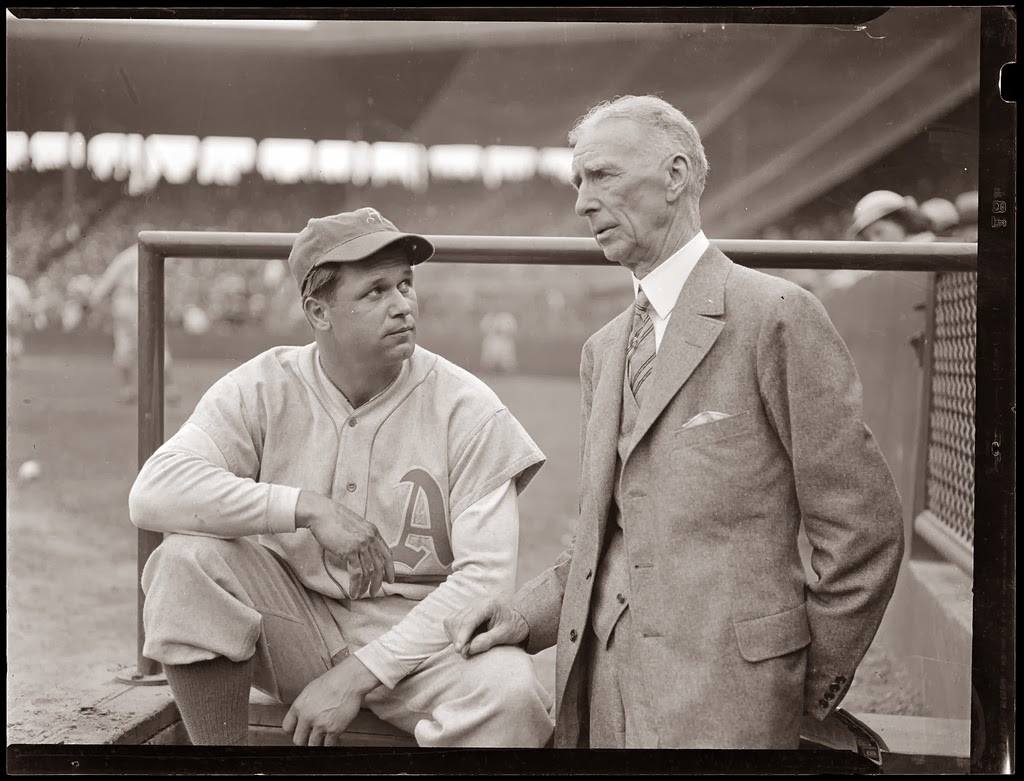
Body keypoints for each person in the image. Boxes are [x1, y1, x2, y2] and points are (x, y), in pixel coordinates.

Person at [445, 95, 905, 749]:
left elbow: (863, 530)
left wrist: (790, 687)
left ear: (676, 174)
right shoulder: (601, 351)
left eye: (601, 175)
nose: (581, 202)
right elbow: (605, 538)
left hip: (735, 712)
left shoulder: (774, 314)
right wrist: (523, 613)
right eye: (577, 182)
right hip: (606, 704)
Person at [128, 208, 554, 747]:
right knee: (184, 561)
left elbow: (484, 585)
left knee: (512, 693)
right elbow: (153, 491)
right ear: (318, 311)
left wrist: (355, 676)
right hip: (296, 624)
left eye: (405, 284)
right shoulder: (265, 384)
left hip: (426, 645)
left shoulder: (468, 408)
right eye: (375, 291)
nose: (402, 304)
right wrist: (306, 506)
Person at [86, 238, 180, 404]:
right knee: (157, 346)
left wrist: (96, 301)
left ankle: (127, 389)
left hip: (126, 304)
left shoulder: (125, 257)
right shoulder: (157, 253)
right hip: (145, 301)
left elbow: (104, 285)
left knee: (125, 347)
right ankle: (169, 388)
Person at [7, 244, 34, 369]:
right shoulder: (16, 283)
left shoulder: (16, 283)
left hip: (13, 319)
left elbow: (25, 304)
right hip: (13, 320)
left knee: (14, 341)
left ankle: (13, 363)